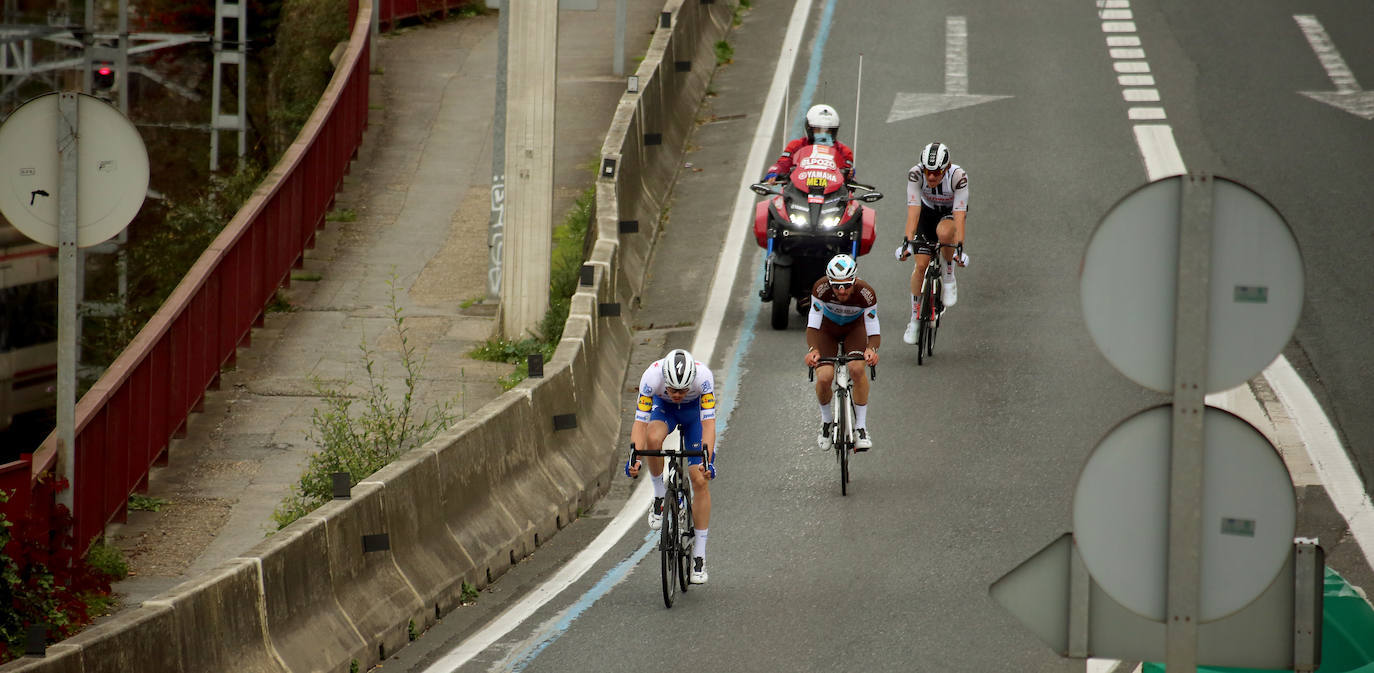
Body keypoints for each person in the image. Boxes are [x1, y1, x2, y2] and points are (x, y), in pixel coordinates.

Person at [624, 349, 718, 584]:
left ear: (691, 382)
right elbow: (639, 423)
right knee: (653, 440)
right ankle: (658, 496)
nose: (677, 394)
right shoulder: (651, 378)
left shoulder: (704, 378)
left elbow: (708, 424)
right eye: (672, 389)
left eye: (683, 390)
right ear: (664, 381)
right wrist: (634, 456)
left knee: (699, 480)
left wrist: (707, 460)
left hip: (694, 415)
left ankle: (699, 555)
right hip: (663, 410)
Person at [802, 254, 880, 451]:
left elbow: (872, 326)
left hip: (855, 329)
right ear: (829, 283)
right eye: (836, 286)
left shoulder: (866, 293)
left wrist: (872, 349)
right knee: (825, 377)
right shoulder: (820, 288)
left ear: (854, 280)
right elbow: (813, 323)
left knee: (856, 369)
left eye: (846, 285)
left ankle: (861, 427)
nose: (841, 290)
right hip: (827, 330)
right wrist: (813, 350)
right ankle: (827, 422)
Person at [896, 141, 969, 345]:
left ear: (946, 168)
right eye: (928, 171)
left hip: (949, 213)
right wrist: (906, 241)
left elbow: (960, 213)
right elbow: (913, 210)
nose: (931, 177)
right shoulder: (915, 174)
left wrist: (960, 245)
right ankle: (914, 320)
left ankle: (948, 277)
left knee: (944, 233)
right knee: (920, 266)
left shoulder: (958, 177)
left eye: (936, 173)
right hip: (925, 214)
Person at [763, 103, 856, 185]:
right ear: (809, 129)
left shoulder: (844, 151)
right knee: (769, 205)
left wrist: (850, 174)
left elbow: (848, 172)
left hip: (833, 196)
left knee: (855, 205)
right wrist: (775, 171)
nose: (823, 134)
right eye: (818, 130)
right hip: (797, 193)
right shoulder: (795, 145)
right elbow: (783, 163)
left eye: (828, 131)